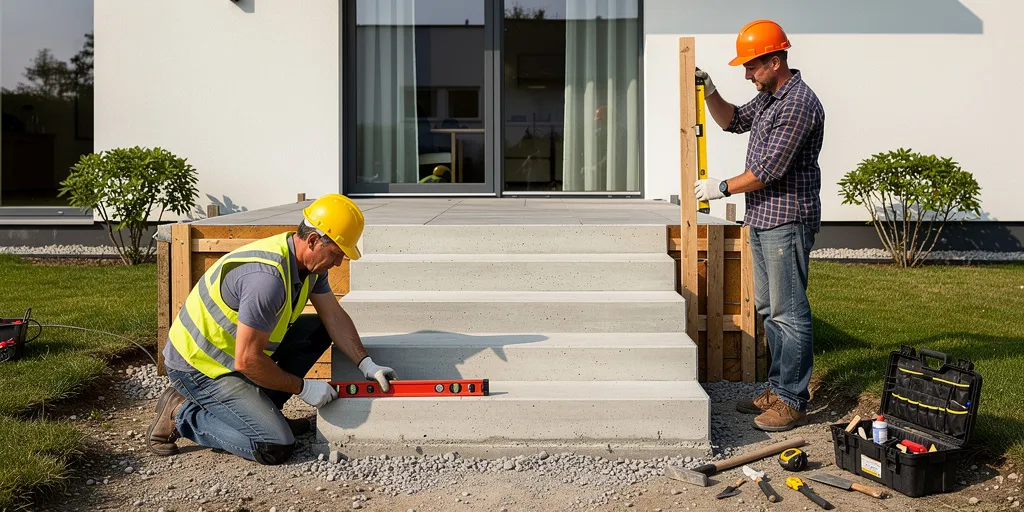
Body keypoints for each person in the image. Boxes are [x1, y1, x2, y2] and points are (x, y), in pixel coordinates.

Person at [146, 194, 397, 464]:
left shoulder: (308, 265)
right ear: (313, 240)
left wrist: (366, 363)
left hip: (236, 356)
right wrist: (303, 388)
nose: (338, 263)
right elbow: (247, 360)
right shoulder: (266, 280)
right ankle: (182, 412)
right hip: (200, 367)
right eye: (337, 253)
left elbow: (334, 316)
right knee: (273, 445)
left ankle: (262, 413)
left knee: (319, 329)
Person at [692, 19, 825, 432]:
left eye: (752, 66)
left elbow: (768, 169)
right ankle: (778, 387)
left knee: (789, 311)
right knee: (769, 308)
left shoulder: (798, 103)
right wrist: (709, 89)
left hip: (788, 219)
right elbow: (732, 120)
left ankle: (793, 401)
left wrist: (721, 188)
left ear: (775, 59)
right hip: (765, 218)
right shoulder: (768, 98)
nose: (747, 74)